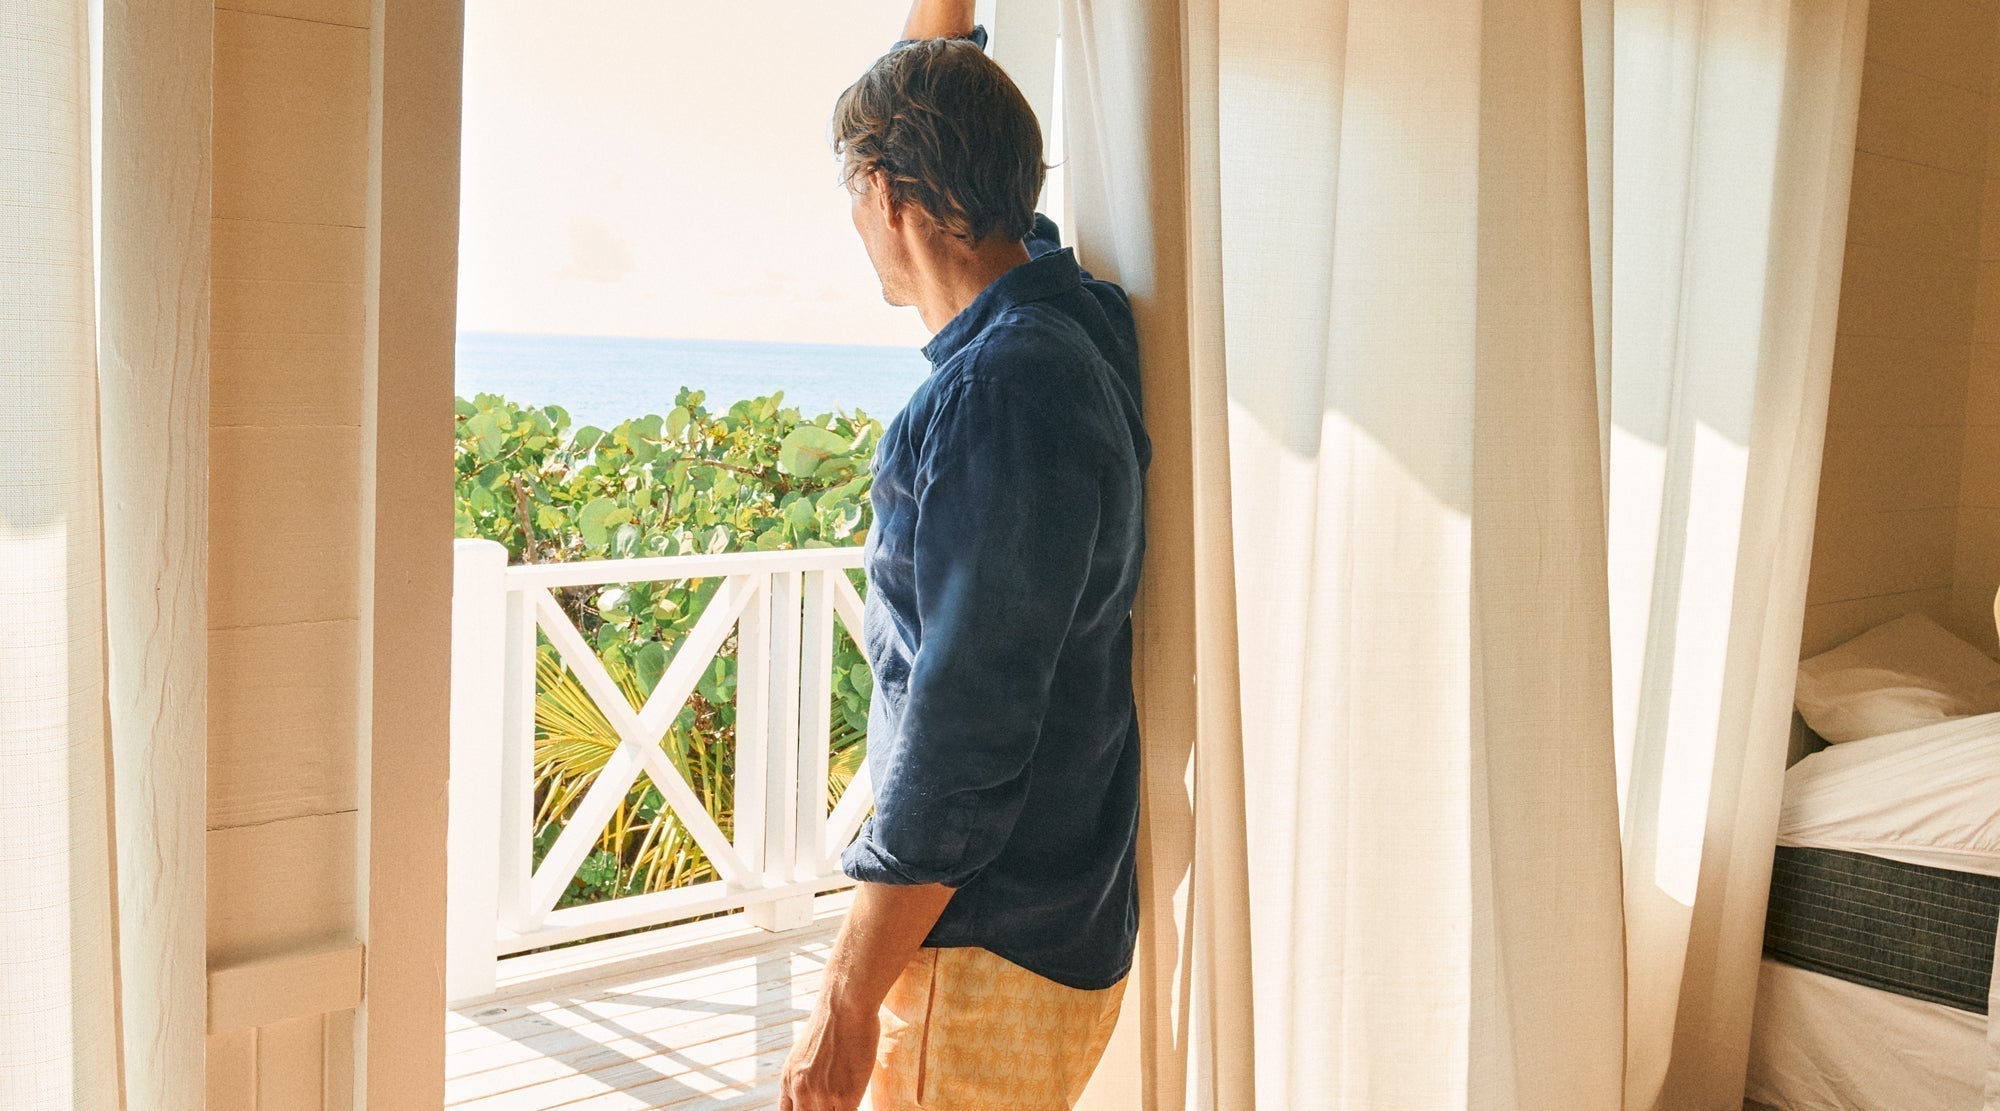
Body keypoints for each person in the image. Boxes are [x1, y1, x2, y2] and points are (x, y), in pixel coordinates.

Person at [778, 3, 1150, 1109]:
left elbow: (962, 737)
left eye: (854, 191)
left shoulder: (999, 392)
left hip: (986, 944)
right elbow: (939, 112)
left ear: (887, 196)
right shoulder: (1075, 324)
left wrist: (845, 1002)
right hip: (1060, 916)